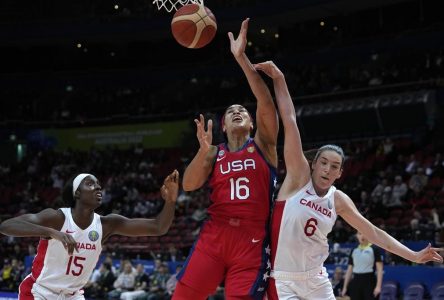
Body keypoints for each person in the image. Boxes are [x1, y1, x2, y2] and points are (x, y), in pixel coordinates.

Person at [252, 60, 444, 300]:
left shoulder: (338, 199)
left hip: (317, 279)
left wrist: (414, 255)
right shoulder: (298, 179)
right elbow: (290, 119)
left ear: (340, 173)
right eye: (323, 163)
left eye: (334, 166)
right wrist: (279, 80)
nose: (327, 169)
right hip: (283, 280)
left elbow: (373, 232)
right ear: (314, 164)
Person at [172, 18, 279, 300]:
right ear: (222, 126)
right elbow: (190, 185)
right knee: (183, 296)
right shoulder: (213, 152)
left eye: (242, 110)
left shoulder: (264, 145)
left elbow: (266, 102)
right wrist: (201, 150)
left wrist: (241, 58)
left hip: (252, 240)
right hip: (215, 235)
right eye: (231, 111)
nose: (237, 111)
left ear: (252, 123)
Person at [0, 170, 179, 300]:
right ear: (77, 193)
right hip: (40, 292)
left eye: (98, 184)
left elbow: (158, 227)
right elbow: (6, 226)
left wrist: (170, 201)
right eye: (90, 183)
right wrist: (51, 232)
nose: (98, 187)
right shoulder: (56, 218)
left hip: (74, 295)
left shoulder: (107, 224)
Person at [341, 231, 383, 300]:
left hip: (369, 281)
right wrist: (345, 287)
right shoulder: (354, 250)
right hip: (356, 281)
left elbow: (380, 269)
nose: (362, 236)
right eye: (359, 233)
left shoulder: (375, 249)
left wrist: (378, 286)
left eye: (364, 233)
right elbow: (349, 270)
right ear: (356, 236)